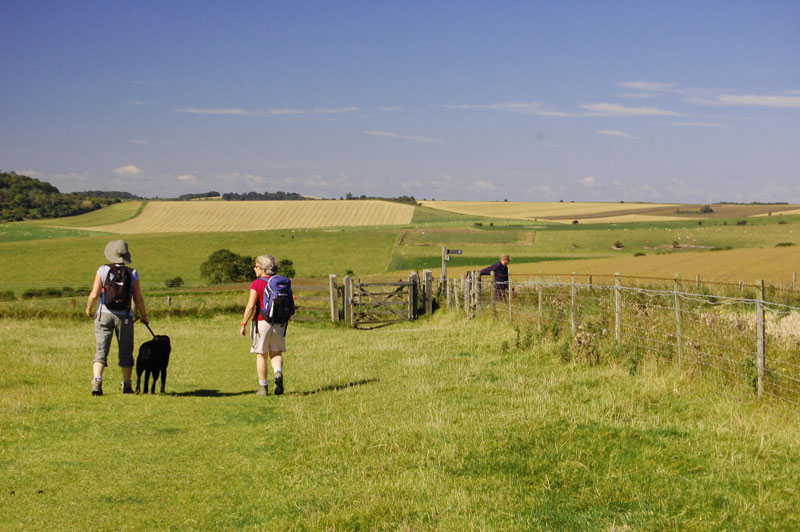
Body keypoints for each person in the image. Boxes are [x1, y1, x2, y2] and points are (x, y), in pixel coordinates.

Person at [86, 240, 149, 396]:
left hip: (103, 314)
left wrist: (89, 309)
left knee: (101, 350)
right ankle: (127, 385)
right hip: (125, 316)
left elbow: (94, 294)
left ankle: (97, 382)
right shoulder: (132, 273)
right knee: (126, 351)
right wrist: (144, 315)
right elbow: (138, 298)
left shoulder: (102, 270)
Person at [240, 254, 286, 396]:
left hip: (262, 322)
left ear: (262, 268)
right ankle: (277, 372)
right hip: (279, 322)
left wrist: (244, 323)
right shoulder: (281, 282)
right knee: (276, 353)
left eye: (256, 266)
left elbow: (250, 306)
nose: (254, 269)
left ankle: (263, 387)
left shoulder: (257, 283)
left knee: (261, 355)